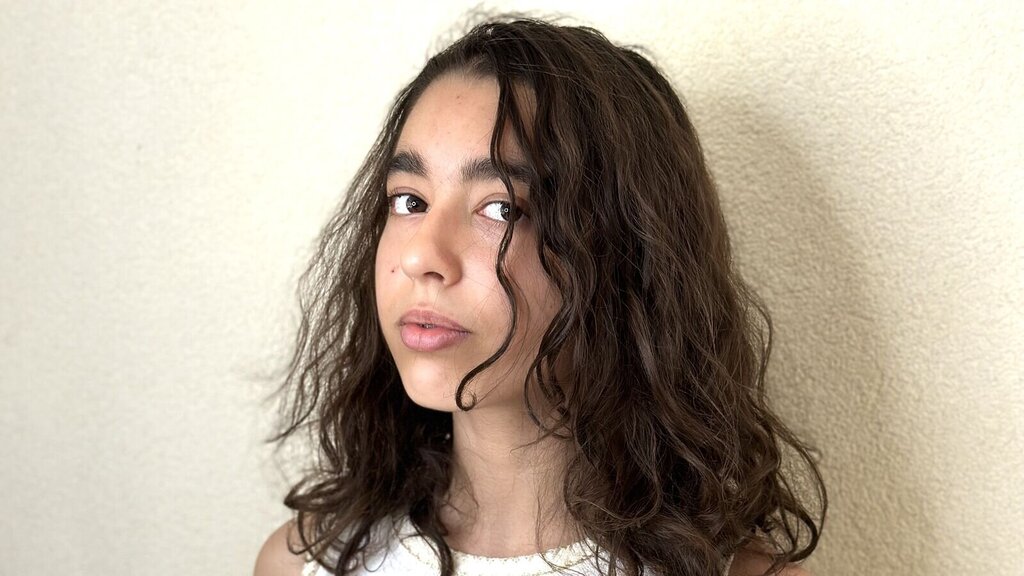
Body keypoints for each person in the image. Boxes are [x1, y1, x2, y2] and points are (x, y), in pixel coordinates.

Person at [255, 14, 826, 576]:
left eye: (501, 209)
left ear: (627, 254)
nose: (420, 256)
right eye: (410, 201)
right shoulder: (304, 563)